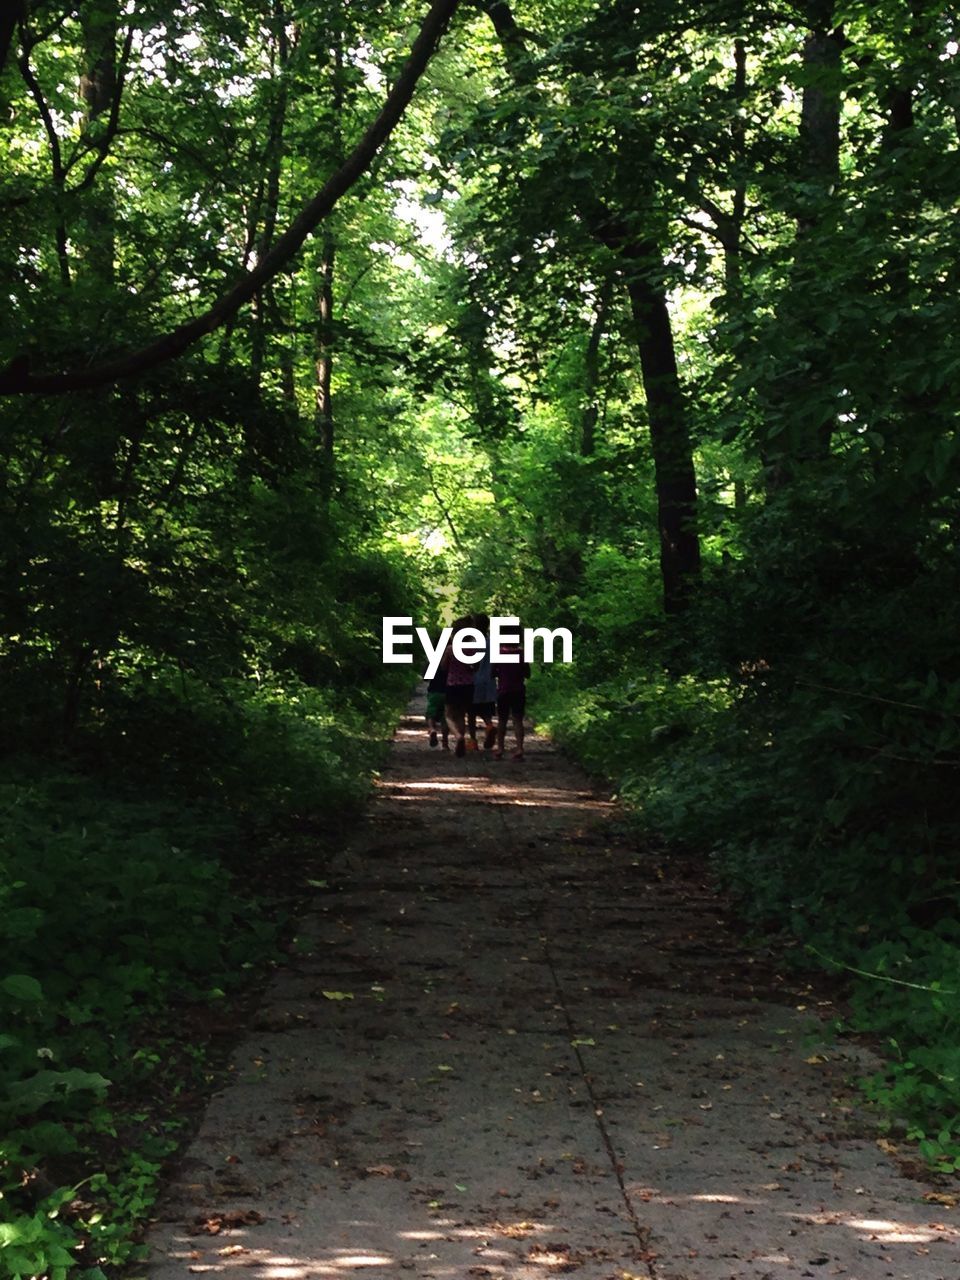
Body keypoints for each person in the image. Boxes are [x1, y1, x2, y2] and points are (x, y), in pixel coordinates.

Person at [442, 616, 477, 758]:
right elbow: (476, 667)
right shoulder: (473, 649)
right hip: (468, 685)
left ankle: (458, 737)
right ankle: (461, 736)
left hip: (452, 684)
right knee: (462, 714)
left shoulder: (450, 649)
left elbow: (443, 667)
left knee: (449, 714)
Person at [492, 638, 530, 761]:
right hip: (518, 690)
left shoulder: (499, 653)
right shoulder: (522, 653)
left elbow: (492, 673)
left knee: (502, 721)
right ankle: (519, 748)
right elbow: (527, 673)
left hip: (503, 691)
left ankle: (500, 748)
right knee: (517, 720)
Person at [467, 611, 497, 751]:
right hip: (489, 681)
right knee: (486, 710)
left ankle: (473, 741)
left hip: (474, 681)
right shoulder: (493, 642)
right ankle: (489, 725)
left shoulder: (473, 643)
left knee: (471, 713)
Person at [425, 659, 449, 750]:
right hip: (447, 691)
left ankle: (432, 729)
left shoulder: (433, 659)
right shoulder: (451, 658)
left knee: (431, 714)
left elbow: (425, 677)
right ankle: (445, 743)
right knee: (446, 717)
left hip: (434, 692)